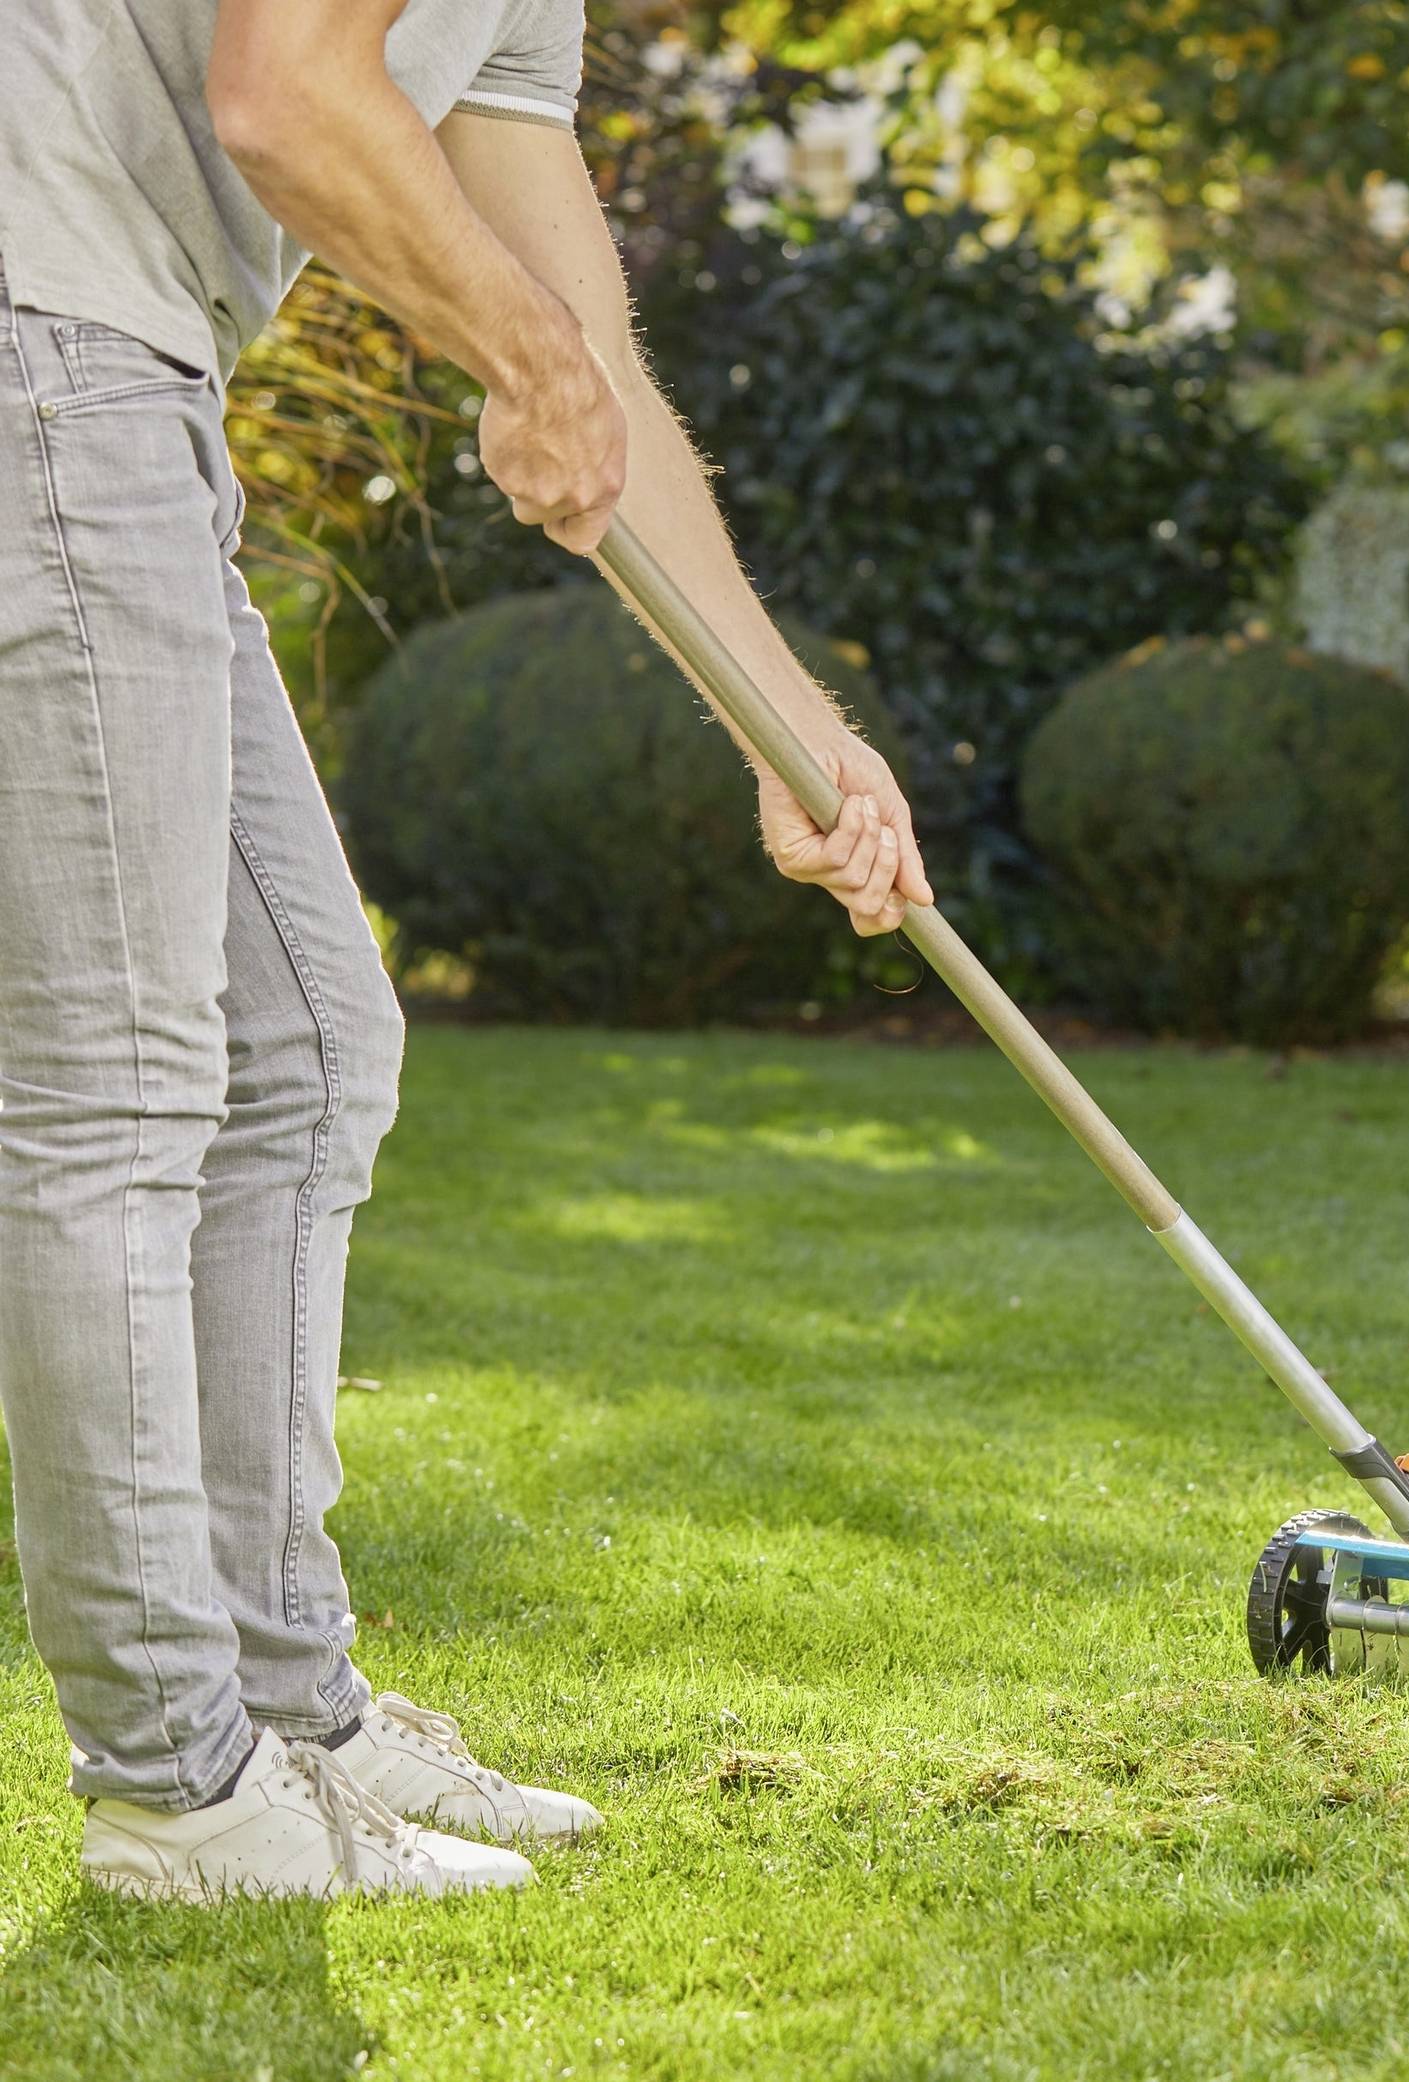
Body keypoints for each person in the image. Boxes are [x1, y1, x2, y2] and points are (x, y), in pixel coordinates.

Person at [0, 0, 935, 1901]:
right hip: (46, 339)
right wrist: (511, 356)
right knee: (121, 1088)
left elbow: (584, 346)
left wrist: (789, 734)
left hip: (123, 368)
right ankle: (178, 1784)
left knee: (313, 1047)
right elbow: (288, 96)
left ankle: (291, 1712)